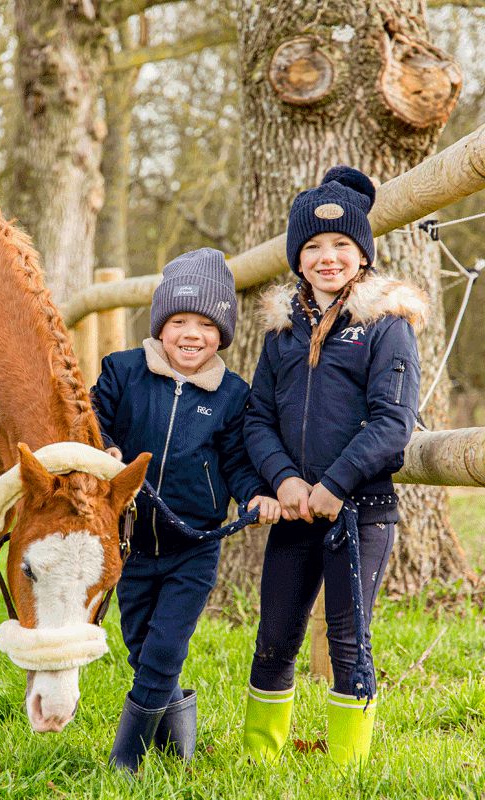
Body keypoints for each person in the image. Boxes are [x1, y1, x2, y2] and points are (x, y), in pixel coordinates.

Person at [242, 166, 427, 766]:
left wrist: (334, 484)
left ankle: (346, 767)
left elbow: (391, 423)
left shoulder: (385, 328)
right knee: (275, 639)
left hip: (359, 509)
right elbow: (257, 419)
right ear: (298, 258)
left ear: (363, 254)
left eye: (342, 245)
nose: (328, 258)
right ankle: (262, 758)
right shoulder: (280, 334)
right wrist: (286, 480)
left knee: (349, 639)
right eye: (314, 247)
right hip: (295, 511)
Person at [91, 248, 280, 772]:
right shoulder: (123, 371)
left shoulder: (232, 395)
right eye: (178, 321)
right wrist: (104, 447)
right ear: (159, 326)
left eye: (205, 323)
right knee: (140, 646)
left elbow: (239, 461)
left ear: (222, 333)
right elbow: (89, 417)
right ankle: (179, 747)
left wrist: (256, 494)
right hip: (129, 542)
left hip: (193, 546)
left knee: (165, 648)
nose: (190, 334)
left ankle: (125, 760)